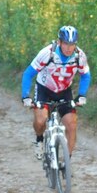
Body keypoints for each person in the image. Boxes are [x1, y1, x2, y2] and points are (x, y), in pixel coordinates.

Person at [21, 25, 91, 160]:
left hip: (64, 91)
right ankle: (39, 139)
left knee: (72, 124)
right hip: (44, 89)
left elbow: (85, 75)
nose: (69, 48)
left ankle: (67, 160)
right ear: (59, 42)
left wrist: (82, 95)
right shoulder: (47, 53)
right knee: (40, 120)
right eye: (66, 44)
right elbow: (28, 74)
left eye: (72, 44)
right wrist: (25, 96)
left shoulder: (79, 56)